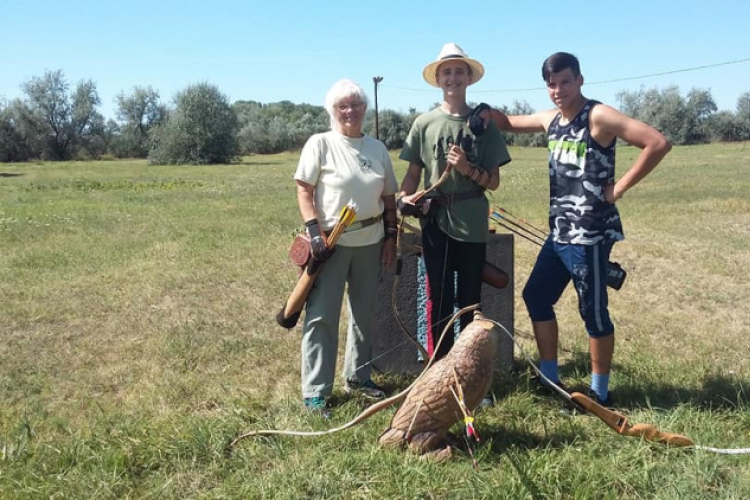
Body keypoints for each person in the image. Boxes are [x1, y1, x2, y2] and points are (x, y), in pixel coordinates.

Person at [485, 52, 672, 405]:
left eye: (565, 82)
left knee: (593, 312)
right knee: (536, 296)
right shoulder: (551, 119)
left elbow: (657, 143)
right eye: (552, 84)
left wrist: (618, 188)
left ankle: (599, 392)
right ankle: (550, 378)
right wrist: (480, 111)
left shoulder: (598, 116)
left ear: (580, 80)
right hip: (559, 234)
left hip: (590, 235)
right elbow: (507, 121)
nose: (558, 90)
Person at [398, 43, 511, 360]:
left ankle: (469, 366)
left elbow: (494, 182)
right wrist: (404, 198)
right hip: (435, 223)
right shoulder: (423, 123)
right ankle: (439, 368)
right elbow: (412, 173)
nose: (452, 77)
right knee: (441, 296)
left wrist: (466, 169)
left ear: (468, 78)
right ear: (438, 79)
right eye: (446, 72)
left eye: (459, 71)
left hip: (473, 221)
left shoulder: (483, 125)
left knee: (471, 299)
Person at [294, 79, 399, 417]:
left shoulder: (377, 149)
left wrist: (391, 238)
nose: (350, 111)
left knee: (364, 313)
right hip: (331, 243)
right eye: (343, 106)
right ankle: (316, 391)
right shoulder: (320, 143)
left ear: (365, 108)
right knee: (322, 315)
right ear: (333, 110)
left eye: (356, 104)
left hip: (371, 240)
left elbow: (388, 198)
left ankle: (358, 376)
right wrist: (314, 233)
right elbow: (304, 190)